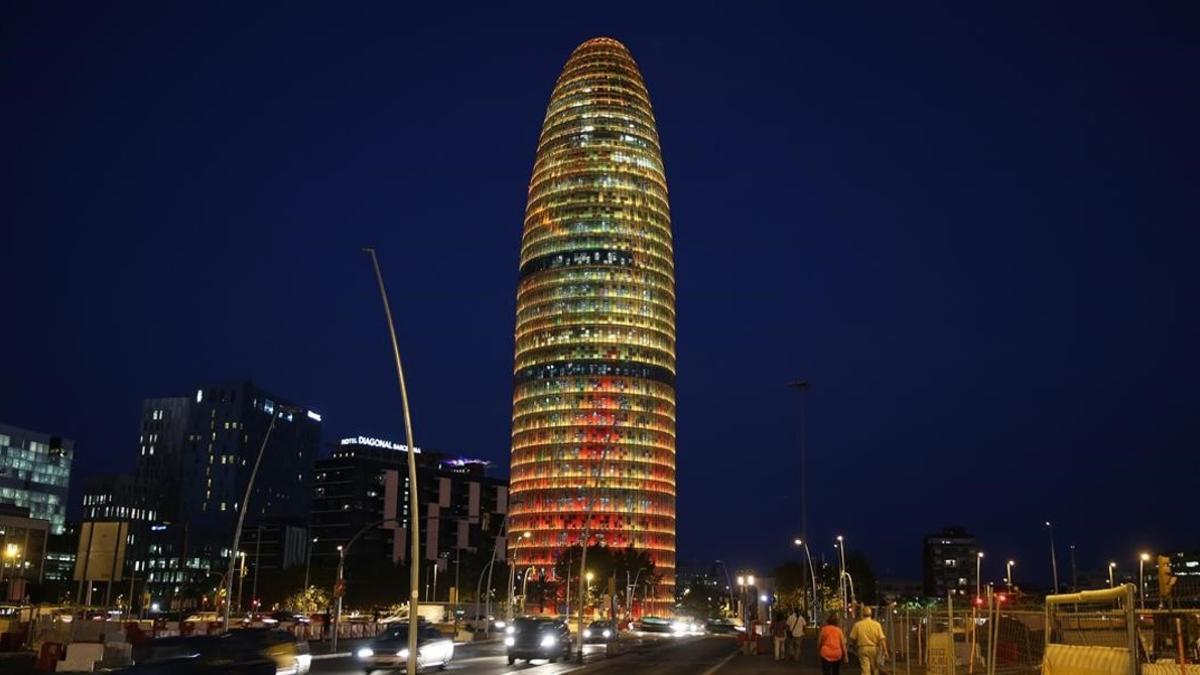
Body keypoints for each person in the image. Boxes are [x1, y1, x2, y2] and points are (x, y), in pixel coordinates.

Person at [849, 606, 888, 675]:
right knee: (875, 668)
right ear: (871, 614)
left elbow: (852, 638)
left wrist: (855, 646)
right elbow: (882, 638)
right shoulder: (877, 625)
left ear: (862, 614)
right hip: (874, 648)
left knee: (865, 669)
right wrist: (885, 651)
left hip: (862, 648)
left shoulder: (857, 625)